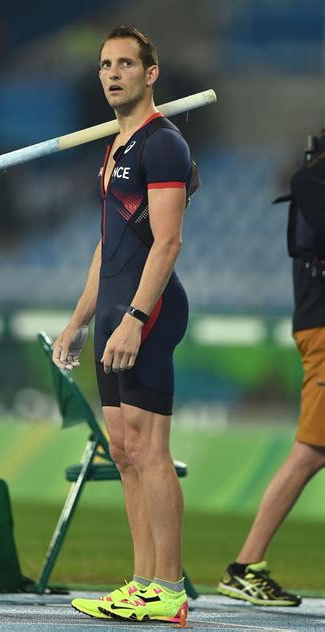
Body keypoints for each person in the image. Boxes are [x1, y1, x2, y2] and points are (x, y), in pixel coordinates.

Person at [52, 26, 198, 624]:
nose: (112, 74)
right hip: (113, 312)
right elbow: (106, 244)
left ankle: (169, 588)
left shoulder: (163, 145)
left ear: (150, 74)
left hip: (149, 312)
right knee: (123, 448)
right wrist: (78, 321)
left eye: (125, 64)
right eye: (105, 65)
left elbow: (167, 243)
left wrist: (136, 318)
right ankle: (142, 584)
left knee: (151, 449)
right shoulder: (116, 148)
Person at [218, 131, 325, 607]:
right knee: (312, 450)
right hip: (324, 329)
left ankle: (247, 565)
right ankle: (244, 565)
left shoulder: (311, 179)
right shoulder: (313, 182)